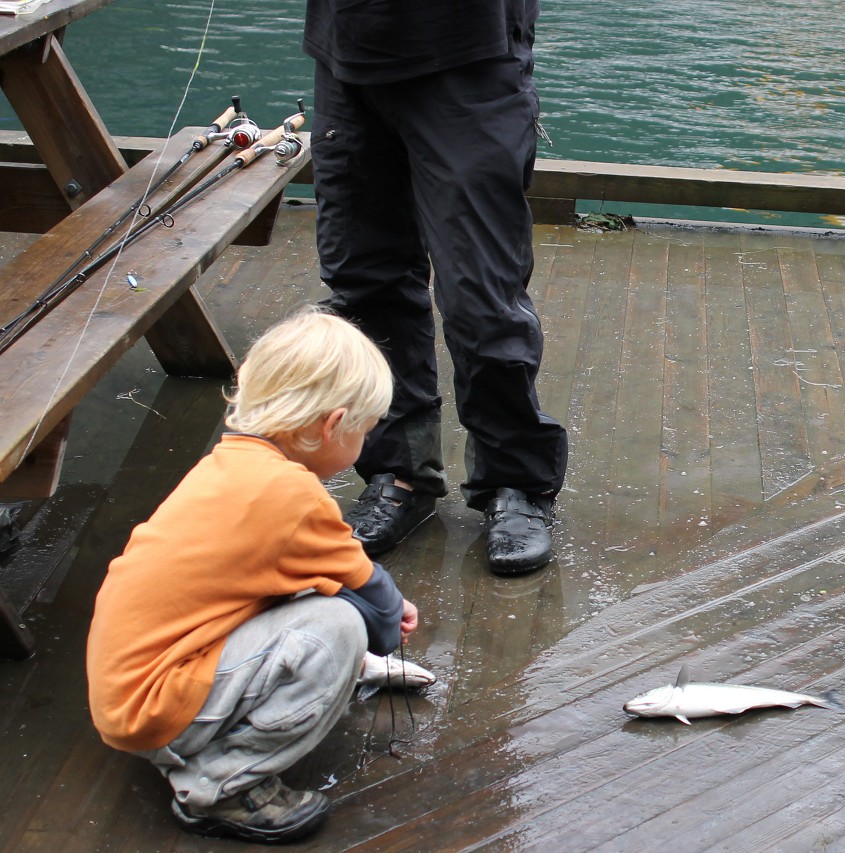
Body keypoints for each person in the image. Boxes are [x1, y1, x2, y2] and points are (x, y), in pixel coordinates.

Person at [86, 309, 438, 844]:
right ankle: (219, 786)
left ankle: (235, 729)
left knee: (314, 599)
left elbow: (296, 575)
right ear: (330, 426)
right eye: (364, 430)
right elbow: (371, 594)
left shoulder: (227, 465)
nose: (365, 443)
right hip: (157, 708)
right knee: (340, 627)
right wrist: (384, 631)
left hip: (131, 688)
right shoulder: (291, 496)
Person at [301, 0, 569, 575]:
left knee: (480, 294)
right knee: (364, 282)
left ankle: (514, 481)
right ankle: (399, 471)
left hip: (468, 57)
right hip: (347, 54)